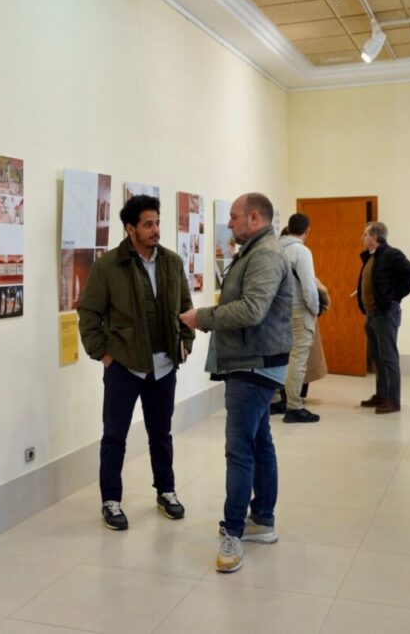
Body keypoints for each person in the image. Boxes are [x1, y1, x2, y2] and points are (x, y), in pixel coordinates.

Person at [179, 192, 291, 574]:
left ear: (254, 218)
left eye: (234, 215)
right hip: (253, 361)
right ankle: (263, 519)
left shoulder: (265, 255)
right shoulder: (256, 251)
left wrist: (203, 317)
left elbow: (252, 309)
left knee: (239, 450)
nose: (229, 222)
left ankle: (234, 533)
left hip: (254, 365)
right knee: (259, 443)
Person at [77, 194, 195, 530]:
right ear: (130, 229)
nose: (156, 229)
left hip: (164, 366)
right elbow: (88, 312)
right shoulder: (109, 266)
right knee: (115, 435)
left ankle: (166, 491)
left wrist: (184, 343)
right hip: (125, 367)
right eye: (148, 224)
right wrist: (103, 353)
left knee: (161, 433)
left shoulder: (171, 262)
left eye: (157, 222)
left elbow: (186, 307)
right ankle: (110, 501)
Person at [356, 221, 410, 413]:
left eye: (365, 234)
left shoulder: (391, 254)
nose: (362, 237)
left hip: (386, 313)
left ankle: (393, 400)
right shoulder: (371, 256)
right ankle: (381, 395)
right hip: (372, 313)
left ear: (375, 237)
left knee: (388, 357)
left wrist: (394, 296)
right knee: (376, 356)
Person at [278, 213, 321, 423]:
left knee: (280, 357)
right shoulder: (301, 251)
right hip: (298, 310)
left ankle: (278, 399)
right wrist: (315, 309)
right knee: (297, 359)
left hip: (277, 312)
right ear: (307, 231)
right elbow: (309, 286)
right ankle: (293, 406)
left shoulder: (275, 248)